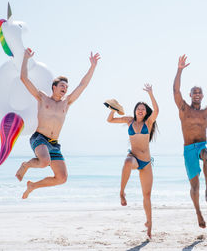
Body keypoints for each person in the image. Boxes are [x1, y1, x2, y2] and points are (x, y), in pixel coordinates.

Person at [15, 48, 101, 199]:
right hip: (39, 138)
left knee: (62, 178)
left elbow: (82, 85)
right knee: (44, 162)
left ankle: (33, 186)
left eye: (66, 87)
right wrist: (26, 59)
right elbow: (24, 79)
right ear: (54, 87)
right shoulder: (42, 98)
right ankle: (26, 165)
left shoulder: (67, 103)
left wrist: (92, 66)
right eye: (62, 85)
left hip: (54, 144)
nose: (65, 88)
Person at [173, 54, 207, 228]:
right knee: (194, 187)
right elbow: (175, 91)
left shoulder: (206, 111)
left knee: (206, 154)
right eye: (194, 92)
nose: (197, 94)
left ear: (203, 95)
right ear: (190, 95)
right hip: (188, 148)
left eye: (199, 92)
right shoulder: (184, 108)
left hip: (202, 145)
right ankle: (198, 213)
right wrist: (179, 70)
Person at [106, 84, 159, 239]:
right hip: (134, 157)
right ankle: (122, 192)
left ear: (145, 111)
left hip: (146, 163)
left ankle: (149, 224)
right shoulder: (129, 121)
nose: (140, 111)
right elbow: (110, 120)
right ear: (135, 111)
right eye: (138, 108)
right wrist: (113, 107)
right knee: (127, 162)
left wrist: (151, 93)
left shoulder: (148, 123)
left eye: (143, 109)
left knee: (147, 195)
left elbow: (156, 111)